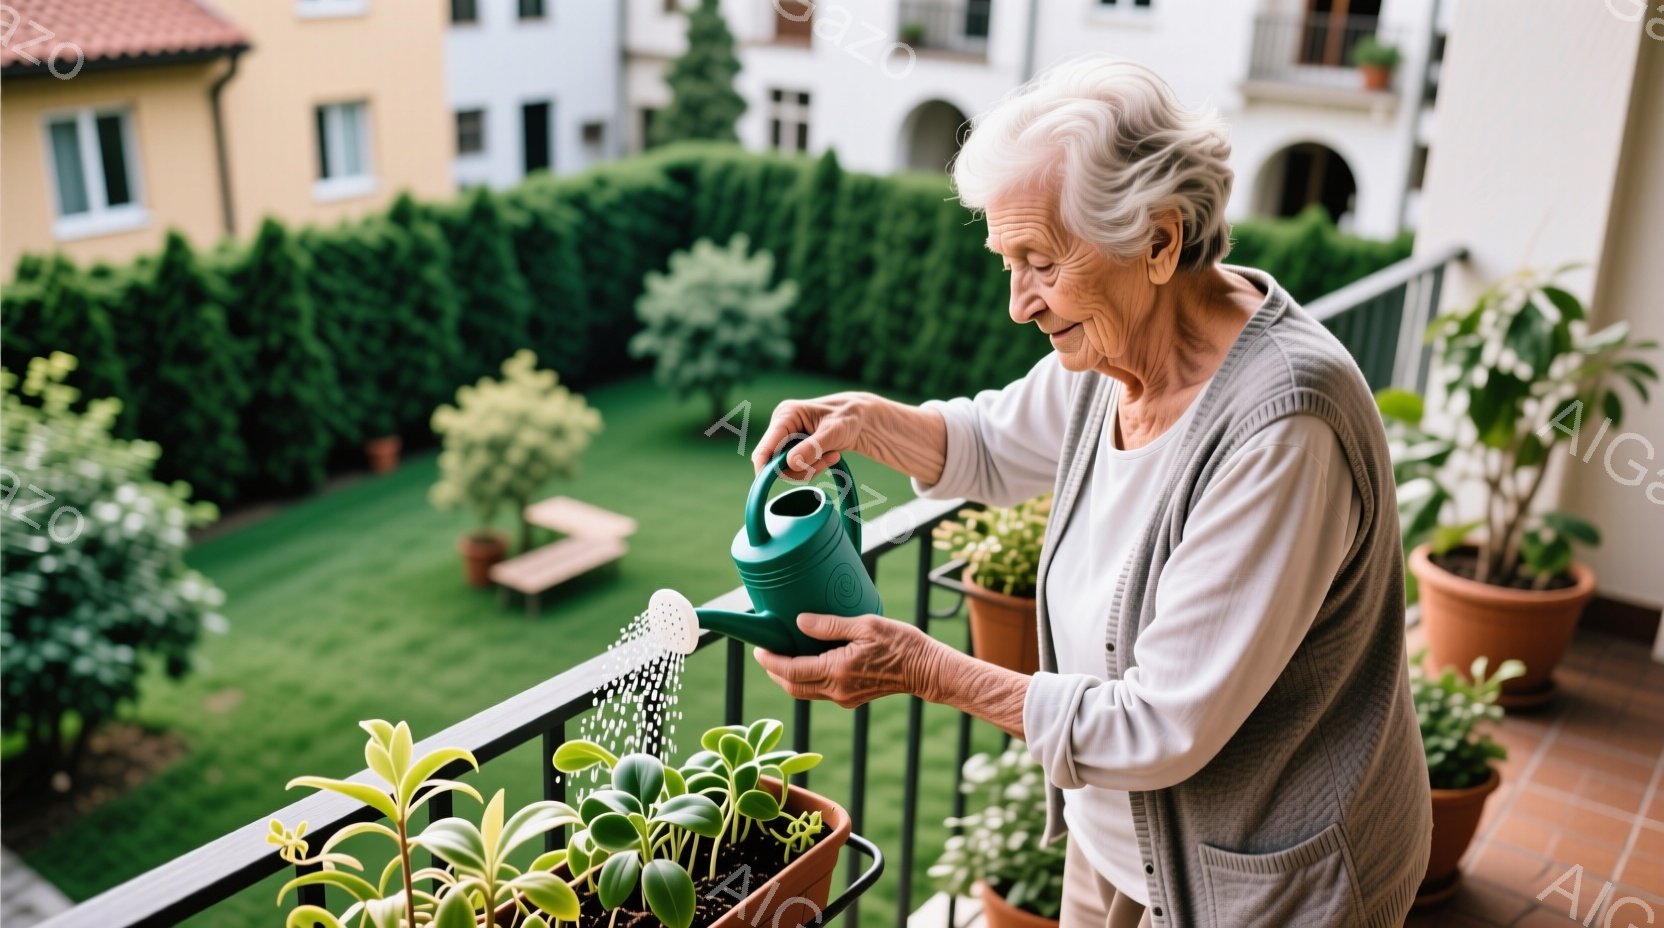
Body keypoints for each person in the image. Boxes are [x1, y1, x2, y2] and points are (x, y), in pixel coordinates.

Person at [749, 55, 1431, 928]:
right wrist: (865, 420)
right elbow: (992, 444)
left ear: (1159, 240)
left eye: (1039, 261)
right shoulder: (1111, 353)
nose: (1018, 304)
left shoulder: (1284, 427)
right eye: (1007, 260)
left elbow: (1157, 727)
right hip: (1118, 842)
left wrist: (924, 667)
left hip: (1264, 885)